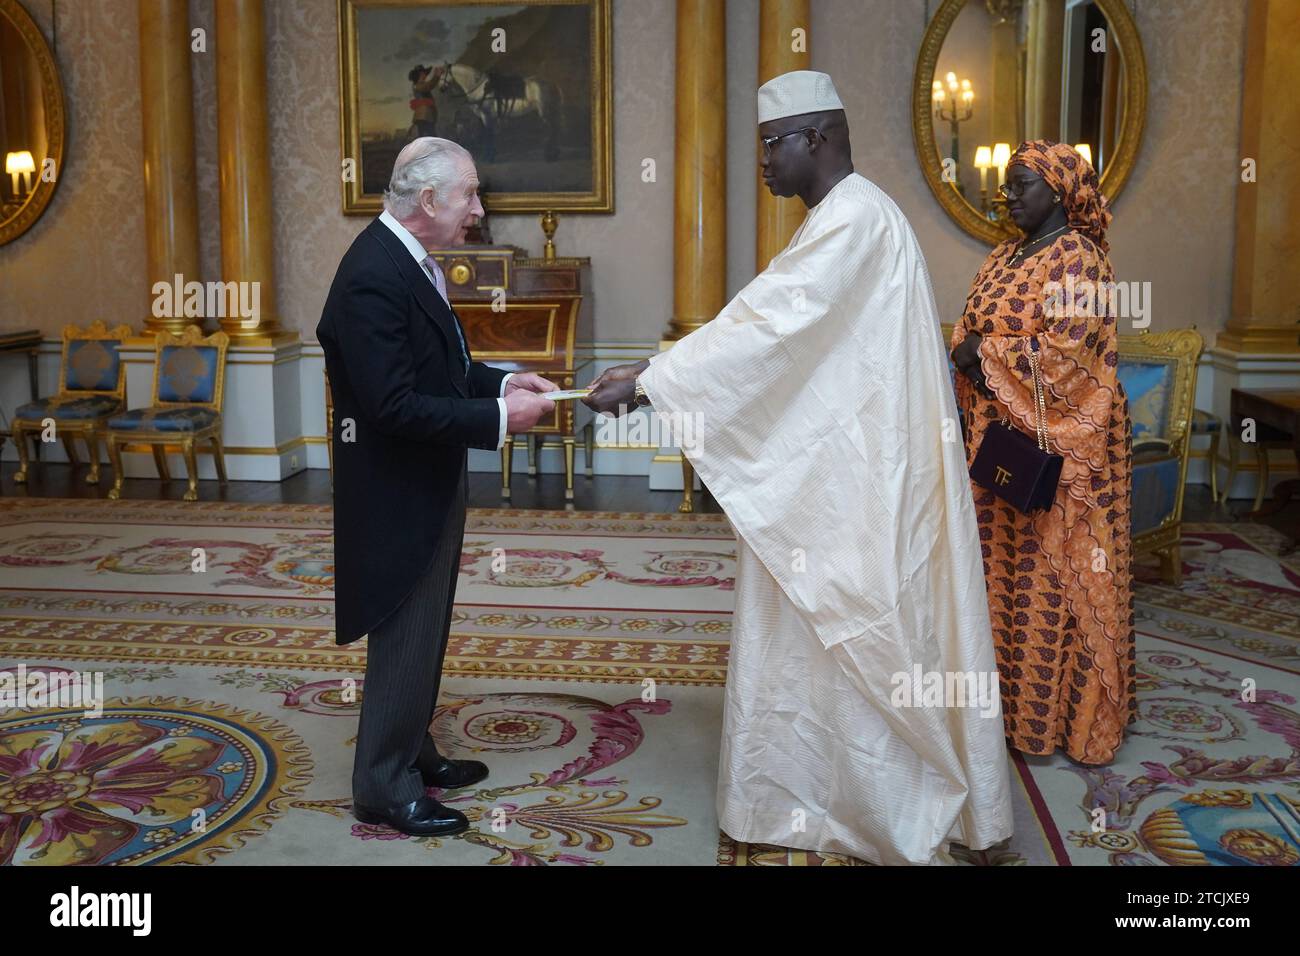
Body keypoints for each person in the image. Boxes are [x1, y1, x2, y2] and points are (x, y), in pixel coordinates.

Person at [584, 71, 1013, 865]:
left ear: (814, 139)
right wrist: (655, 378)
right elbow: (777, 332)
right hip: (837, 472)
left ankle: (877, 800)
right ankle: (808, 791)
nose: (764, 163)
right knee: (822, 623)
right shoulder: (843, 220)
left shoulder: (853, 222)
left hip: (862, 480)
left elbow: (768, 328)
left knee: (858, 622)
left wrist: (647, 381)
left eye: (771, 145)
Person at [317, 137, 556, 836]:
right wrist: (498, 418)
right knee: (404, 625)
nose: (478, 211)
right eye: (470, 195)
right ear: (428, 201)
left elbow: (440, 370)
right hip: (394, 489)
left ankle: (411, 750)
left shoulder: (406, 260)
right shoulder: (371, 274)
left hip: (427, 476)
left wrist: (505, 382)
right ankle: (383, 786)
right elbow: (391, 406)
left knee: (427, 627)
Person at [949, 140, 1134, 765]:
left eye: (1022, 183)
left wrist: (986, 355)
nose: (1010, 194)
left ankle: (1053, 723)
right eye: (1007, 182)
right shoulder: (1004, 253)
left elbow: (1070, 356)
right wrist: (969, 348)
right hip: (998, 442)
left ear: (1057, 189)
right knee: (1000, 574)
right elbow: (969, 325)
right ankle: (997, 714)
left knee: (1053, 579)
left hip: (1064, 453)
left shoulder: (1080, 258)